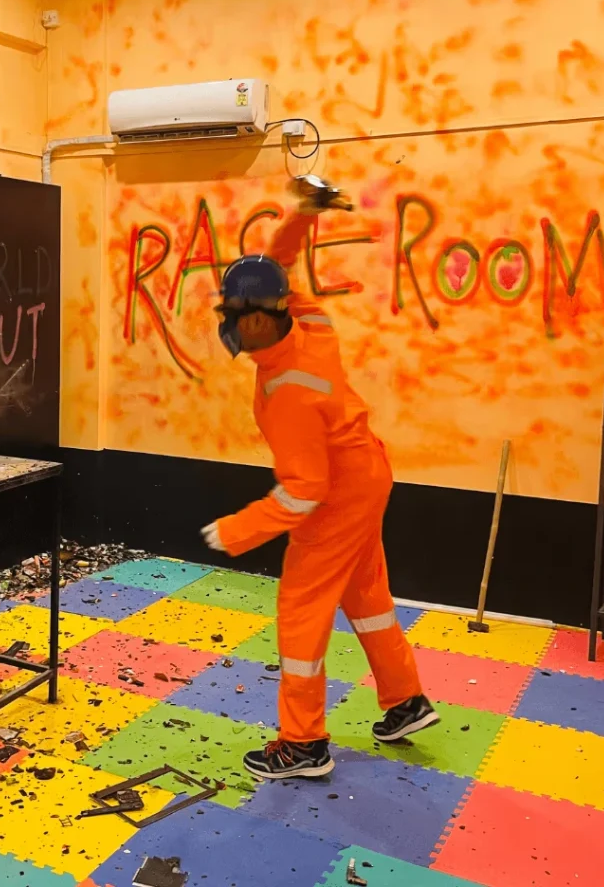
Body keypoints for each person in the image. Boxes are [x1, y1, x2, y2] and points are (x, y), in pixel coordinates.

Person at [201, 176, 438, 781]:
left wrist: (237, 530)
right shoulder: (308, 322)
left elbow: (304, 489)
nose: (228, 325)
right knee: (366, 595)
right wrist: (303, 213)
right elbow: (277, 267)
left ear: (257, 320)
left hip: (334, 492)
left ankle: (303, 743)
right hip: (367, 474)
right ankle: (405, 700)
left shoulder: (289, 392)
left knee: (302, 609)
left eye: (232, 314)